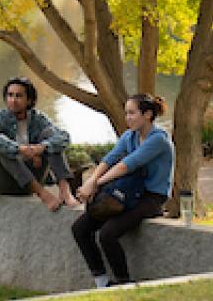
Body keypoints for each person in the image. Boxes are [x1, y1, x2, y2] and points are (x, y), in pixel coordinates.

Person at [72, 93, 173, 288]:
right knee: (80, 229)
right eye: (126, 113)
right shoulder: (130, 136)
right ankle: (102, 282)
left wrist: (96, 183)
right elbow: (110, 159)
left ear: (148, 114)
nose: (127, 118)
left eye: (132, 113)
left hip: (151, 197)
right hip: (128, 191)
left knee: (108, 234)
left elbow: (127, 165)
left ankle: (124, 285)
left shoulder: (159, 140)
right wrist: (91, 181)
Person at [0, 76, 79, 211]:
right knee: (2, 149)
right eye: (10, 95)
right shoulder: (0, 117)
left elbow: (63, 137)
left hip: (32, 177)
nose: (13, 100)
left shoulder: (38, 119)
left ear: (29, 100)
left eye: (19, 96)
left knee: (51, 138)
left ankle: (65, 190)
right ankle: (43, 195)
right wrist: (19, 149)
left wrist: (41, 148)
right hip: (5, 182)